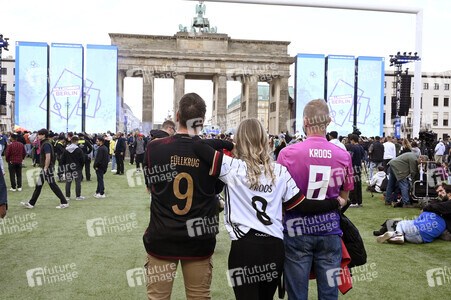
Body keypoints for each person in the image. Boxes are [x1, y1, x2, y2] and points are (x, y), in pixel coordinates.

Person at [193, 118, 346, 300]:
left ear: (239, 141)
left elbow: (198, 146)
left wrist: (230, 144)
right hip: (273, 248)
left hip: (245, 247)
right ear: (265, 140)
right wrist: (335, 203)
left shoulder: (232, 167)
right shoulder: (279, 171)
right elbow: (303, 205)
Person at [143, 93, 222, 300]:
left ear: (177, 115)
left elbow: (151, 189)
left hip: (162, 236)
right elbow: (216, 191)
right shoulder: (212, 154)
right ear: (202, 121)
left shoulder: (154, 148)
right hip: (199, 239)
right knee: (199, 297)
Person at [277, 99, 354, 300]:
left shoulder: (287, 154)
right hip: (329, 230)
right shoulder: (343, 155)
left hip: (296, 228)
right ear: (328, 121)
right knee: (329, 295)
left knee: (297, 295)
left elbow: (279, 199)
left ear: (305, 122)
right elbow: (345, 197)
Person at [20, 129, 69, 209]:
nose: (37, 136)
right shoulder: (45, 143)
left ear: (43, 135)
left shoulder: (46, 144)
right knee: (40, 185)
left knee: (52, 185)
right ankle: (31, 203)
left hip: (47, 169)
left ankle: (64, 202)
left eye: (39, 134)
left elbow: (48, 157)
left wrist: (45, 167)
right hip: (46, 168)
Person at [61, 135, 85, 201]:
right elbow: (82, 159)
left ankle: (67, 196)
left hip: (68, 167)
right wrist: (81, 166)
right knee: (78, 182)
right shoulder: (79, 150)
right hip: (77, 167)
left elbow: (62, 159)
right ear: (77, 141)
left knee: (68, 182)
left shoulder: (66, 150)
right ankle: (78, 196)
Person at [349, 134, 364, 207]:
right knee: (358, 184)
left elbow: (350, 158)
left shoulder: (353, 148)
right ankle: (359, 201)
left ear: (353, 140)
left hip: (353, 167)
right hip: (359, 167)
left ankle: (353, 201)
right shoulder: (361, 147)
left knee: (353, 185)